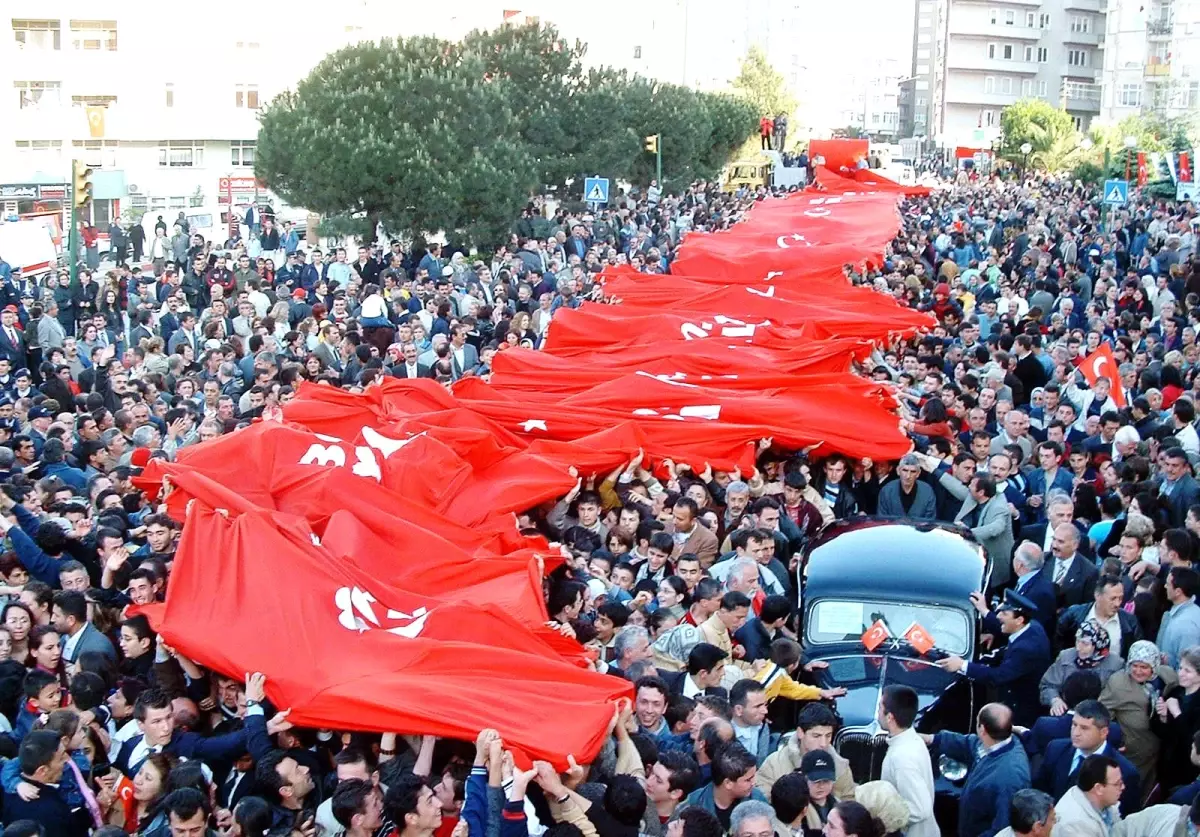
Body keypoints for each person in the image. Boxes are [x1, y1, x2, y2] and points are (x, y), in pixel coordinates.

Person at [936, 589, 1053, 727]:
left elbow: (997, 676)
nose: (999, 616)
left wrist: (962, 665)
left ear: (1019, 620)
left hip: (1021, 710)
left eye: (1004, 613)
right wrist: (984, 610)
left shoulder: (1026, 649)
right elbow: (1003, 627)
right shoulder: (1031, 627)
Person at [925, 703, 1030, 837]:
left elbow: (1003, 829)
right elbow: (970, 743)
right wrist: (931, 739)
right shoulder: (1000, 741)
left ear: (983, 730)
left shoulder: (1010, 778)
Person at [1033, 700, 1140, 816]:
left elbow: (1126, 818)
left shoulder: (1125, 772)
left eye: (1084, 728)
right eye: (1074, 725)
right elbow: (1039, 792)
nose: (1076, 733)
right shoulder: (1055, 749)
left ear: (1103, 732)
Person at [1100, 640, 1179, 790]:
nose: (1138, 671)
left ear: (1154, 667)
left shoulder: (1168, 676)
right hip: (1134, 753)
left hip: (1161, 751)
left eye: (1144, 667)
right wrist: (1113, 742)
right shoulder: (1118, 683)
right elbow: (1103, 715)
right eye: (1134, 665)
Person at [878, 685, 937, 837]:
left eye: (879, 708)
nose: (878, 713)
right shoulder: (913, 740)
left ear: (890, 717)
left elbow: (920, 809)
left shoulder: (902, 758)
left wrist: (881, 818)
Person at [1052, 754, 1124, 836]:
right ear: (1098, 788)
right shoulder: (1074, 825)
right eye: (1117, 784)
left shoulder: (1103, 803)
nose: (1123, 787)